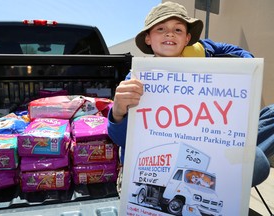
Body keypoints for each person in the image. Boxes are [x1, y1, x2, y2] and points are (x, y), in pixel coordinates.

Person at [107, 1, 271, 193]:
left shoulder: (202, 66)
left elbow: (243, 56)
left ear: (187, 39)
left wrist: (236, 71)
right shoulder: (136, 78)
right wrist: (118, 112)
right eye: (161, 28)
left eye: (178, 29)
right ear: (148, 39)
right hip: (152, 165)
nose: (170, 34)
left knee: (258, 161)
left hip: (198, 155)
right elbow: (120, 139)